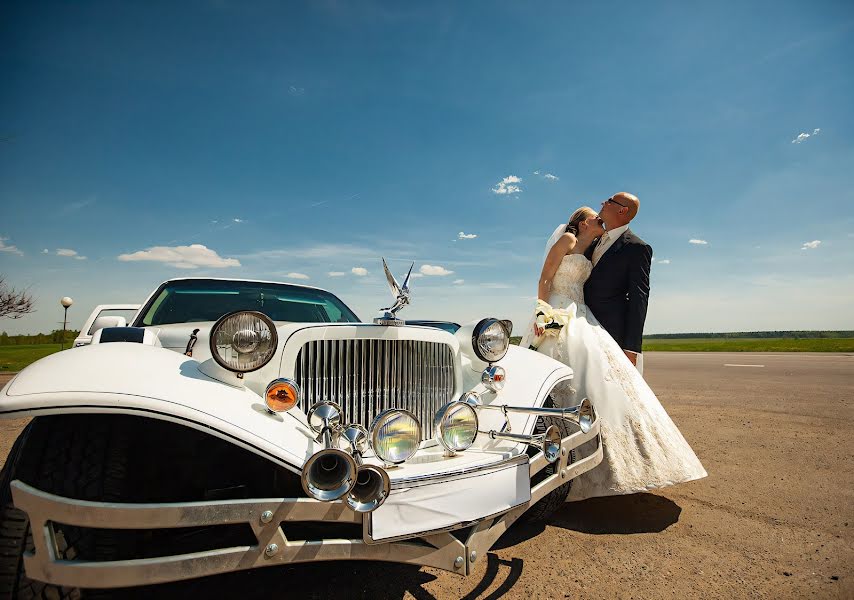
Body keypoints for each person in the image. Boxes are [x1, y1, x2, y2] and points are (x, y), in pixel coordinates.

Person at [521, 202, 706, 501]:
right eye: (595, 216)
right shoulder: (567, 240)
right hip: (556, 310)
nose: (599, 218)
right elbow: (545, 277)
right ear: (582, 224)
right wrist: (543, 313)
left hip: (581, 313)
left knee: (599, 373)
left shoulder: (597, 249)